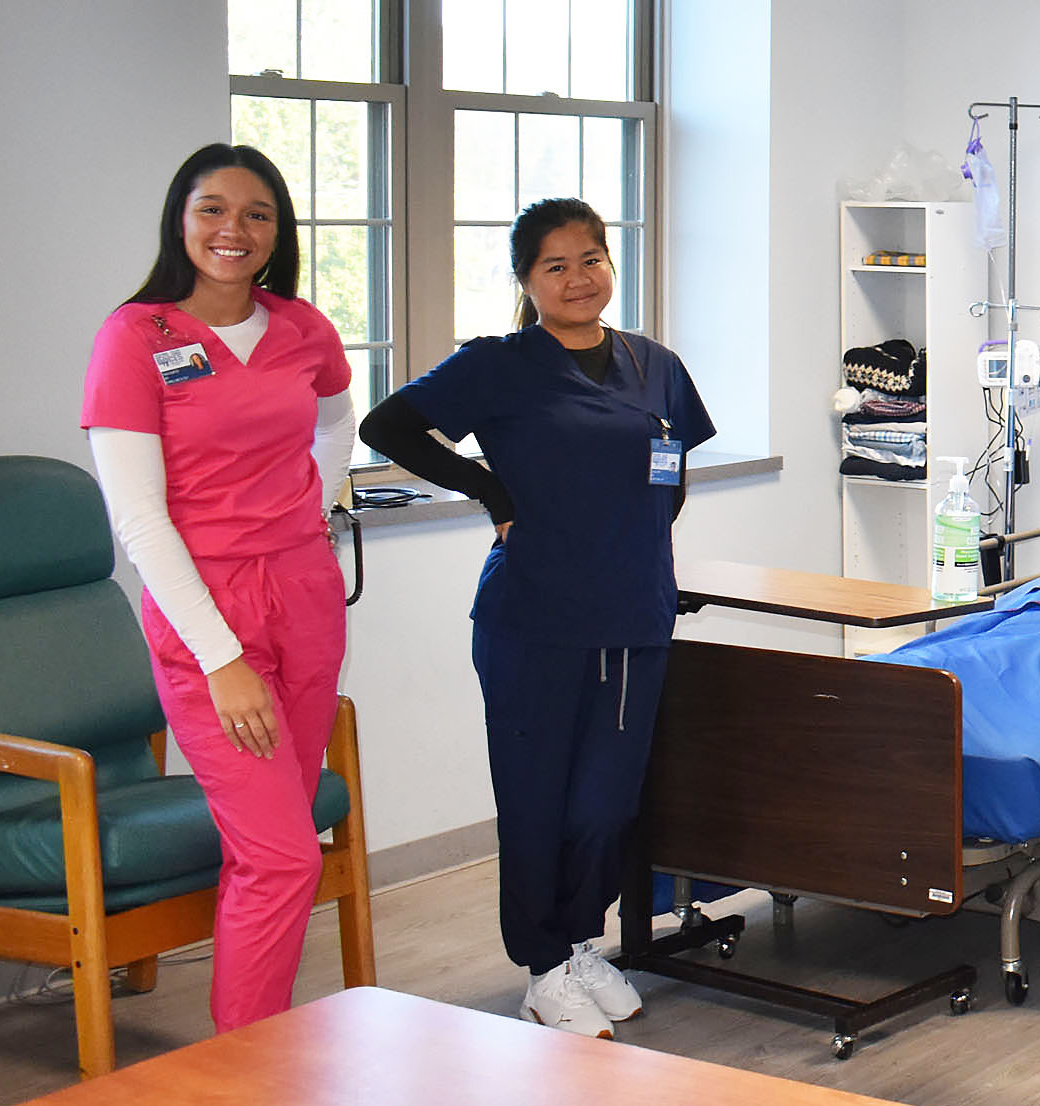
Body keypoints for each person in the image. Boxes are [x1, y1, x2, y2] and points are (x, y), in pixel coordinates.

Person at [360, 198, 719, 1039]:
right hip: (532, 619)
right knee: (536, 800)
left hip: (633, 614)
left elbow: (675, 469)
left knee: (607, 802)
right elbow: (388, 426)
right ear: (526, 281)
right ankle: (542, 965)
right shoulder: (499, 364)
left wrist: (631, 544)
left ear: (610, 263)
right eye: (554, 266)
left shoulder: (653, 363)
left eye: (590, 259)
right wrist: (490, 491)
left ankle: (580, 942)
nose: (577, 279)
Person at [80, 144, 356, 1033]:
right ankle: (247, 1072)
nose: (233, 230)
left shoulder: (303, 326)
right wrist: (222, 658)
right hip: (208, 613)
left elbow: (336, 416)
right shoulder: (136, 336)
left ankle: (262, 1055)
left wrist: (320, 500)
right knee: (282, 859)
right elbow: (141, 522)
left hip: (305, 597)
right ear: (180, 218)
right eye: (212, 209)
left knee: (270, 853)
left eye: (256, 214)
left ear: (278, 233)